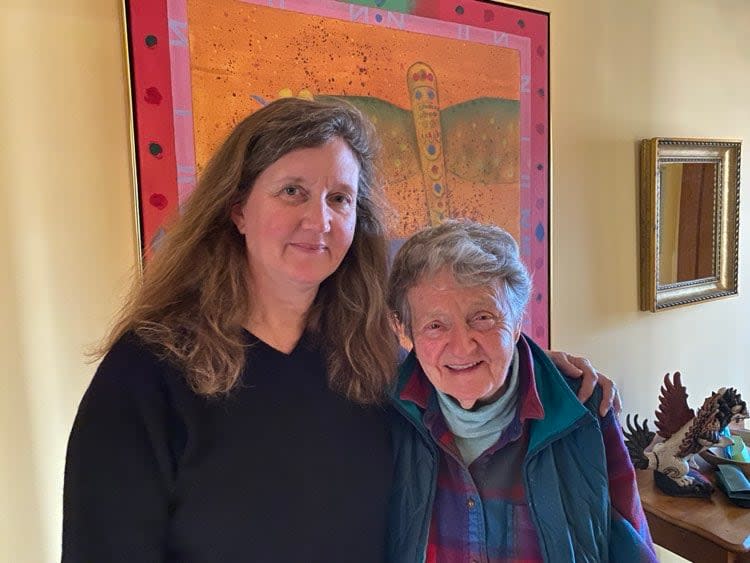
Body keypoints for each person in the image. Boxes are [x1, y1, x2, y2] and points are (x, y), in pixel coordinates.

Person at [63, 97, 618, 562]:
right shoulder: (147, 373)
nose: (319, 221)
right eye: (292, 192)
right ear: (236, 210)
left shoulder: (366, 356)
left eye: (339, 199)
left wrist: (545, 372)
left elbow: (462, 376)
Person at [385, 219, 656, 563]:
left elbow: (631, 546)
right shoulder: (384, 418)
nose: (463, 347)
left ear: (515, 322)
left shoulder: (584, 408)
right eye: (435, 325)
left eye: (482, 317)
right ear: (406, 332)